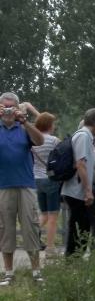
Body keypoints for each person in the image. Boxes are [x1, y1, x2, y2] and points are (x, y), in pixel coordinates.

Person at [0, 92, 44, 285]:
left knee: (31, 228)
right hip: (3, 187)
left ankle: (36, 272)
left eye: (11, 107)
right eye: (5, 106)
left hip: (26, 185)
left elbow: (40, 141)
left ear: (17, 108)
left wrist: (24, 121)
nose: (8, 110)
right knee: (5, 230)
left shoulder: (24, 128)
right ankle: (8, 273)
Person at [62, 109, 95, 256]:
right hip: (78, 190)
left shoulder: (83, 135)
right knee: (81, 226)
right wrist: (88, 190)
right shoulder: (83, 136)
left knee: (82, 226)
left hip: (77, 189)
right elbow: (80, 164)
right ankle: (78, 258)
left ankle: (75, 259)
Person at [32, 112, 61, 256]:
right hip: (51, 179)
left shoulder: (32, 140)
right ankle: (50, 248)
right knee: (53, 216)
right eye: (53, 123)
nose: (54, 126)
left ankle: (31, 234)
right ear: (49, 125)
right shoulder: (54, 141)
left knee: (43, 214)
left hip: (36, 179)